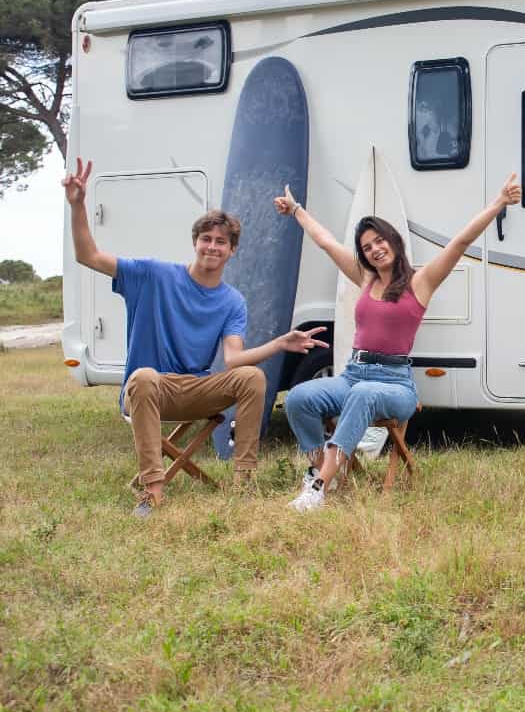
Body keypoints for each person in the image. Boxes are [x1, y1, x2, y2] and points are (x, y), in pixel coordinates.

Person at [63, 158, 329, 517]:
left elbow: (233, 360)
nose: (212, 246)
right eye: (206, 239)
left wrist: (281, 343)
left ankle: (243, 482)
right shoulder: (152, 275)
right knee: (143, 377)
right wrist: (78, 204)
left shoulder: (232, 300)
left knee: (252, 376)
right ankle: (152, 492)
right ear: (195, 242)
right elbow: (88, 255)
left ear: (232, 251)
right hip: (149, 390)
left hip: (195, 389)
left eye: (221, 242)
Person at [276, 173, 521, 512]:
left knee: (364, 394)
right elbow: (326, 242)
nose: (374, 249)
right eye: (366, 247)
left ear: (393, 241)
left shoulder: (421, 282)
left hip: (395, 384)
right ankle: (319, 468)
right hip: (353, 375)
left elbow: (460, 243)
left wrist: (499, 203)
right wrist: (296, 210)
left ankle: (320, 486)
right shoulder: (364, 278)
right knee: (299, 398)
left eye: (379, 241)